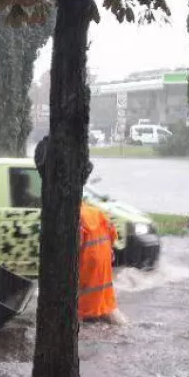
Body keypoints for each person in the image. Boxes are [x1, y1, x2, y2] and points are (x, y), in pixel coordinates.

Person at [33, 135, 123, 324]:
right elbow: (111, 251)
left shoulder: (63, 221)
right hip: (107, 306)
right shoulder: (97, 215)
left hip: (80, 315)